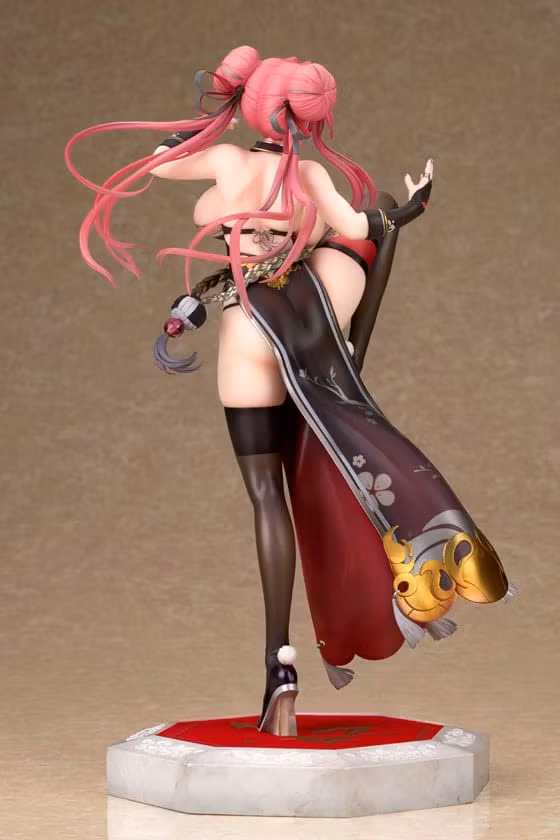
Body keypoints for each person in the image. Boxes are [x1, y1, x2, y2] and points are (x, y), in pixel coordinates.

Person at [66, 47, 511, 738]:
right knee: (368, 234)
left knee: (266, 496)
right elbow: (363, 229)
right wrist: (407, 209)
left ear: (251, 106)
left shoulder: (226, 162)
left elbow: (158, 163)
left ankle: (280, 664)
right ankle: (347, 364)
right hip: (306, 307)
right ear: (309, 120)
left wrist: (210, 111)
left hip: (250, 323)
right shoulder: (309, 175)